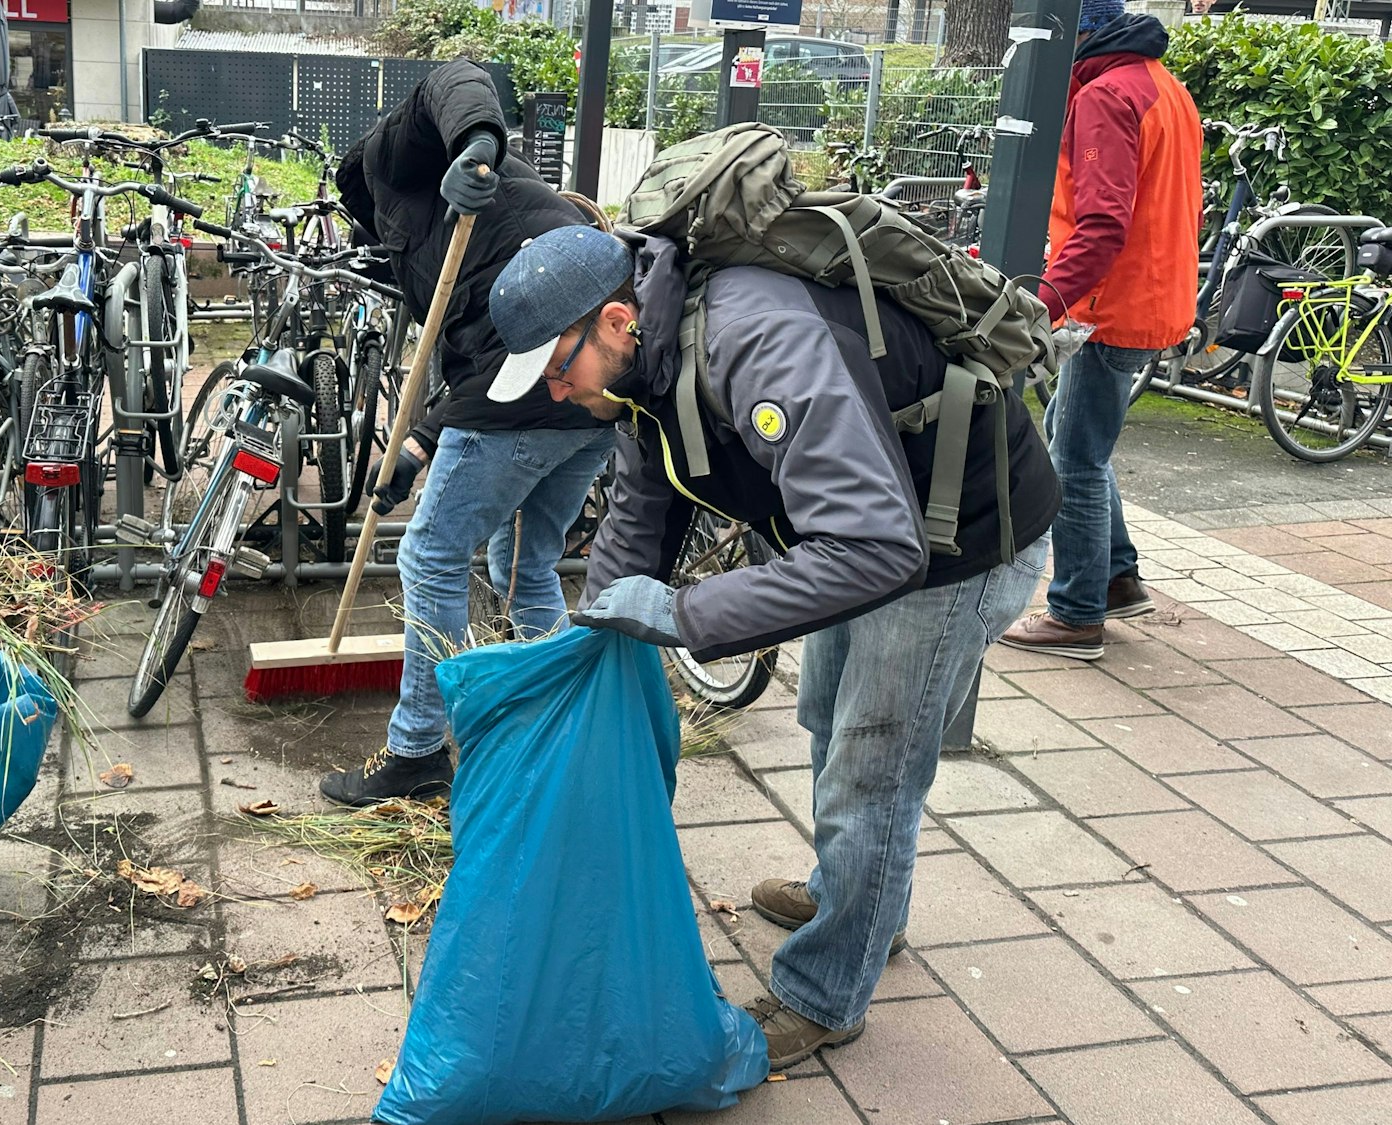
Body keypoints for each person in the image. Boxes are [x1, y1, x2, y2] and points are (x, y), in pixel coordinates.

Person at [487, 224, 1058, 1069]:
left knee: (872, 770)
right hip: (869, 529)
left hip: (957, 541)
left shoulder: (759, 343)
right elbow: (647, 498)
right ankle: (859, 902)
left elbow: (876, 550)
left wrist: (686, 615)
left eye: (557, 372)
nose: (557, 395)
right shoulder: (649, 352)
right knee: (829, 718)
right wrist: (591, 629)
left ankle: (826, 993)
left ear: (612, 321)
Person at [317, 61, 615, 806]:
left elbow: (453, 78)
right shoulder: (431, 242)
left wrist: (476, 143)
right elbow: (474, 351)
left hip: (556, 370)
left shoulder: (387, 161)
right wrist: (419, 439)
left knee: (432, 552)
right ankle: (556, 718)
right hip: (598, 388)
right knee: (527, 557)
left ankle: (418, 748)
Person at [1000, 0, 1201, 661]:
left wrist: (1044, 306)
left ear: (1073, 36)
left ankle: (1077, 612)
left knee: (1076, 462)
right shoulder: (1163, 86)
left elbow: (1103, 224)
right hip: (1151, 292)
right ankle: (1115, 577)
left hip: (1105, 307)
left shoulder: (1106, 96)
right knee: (1075, 435)